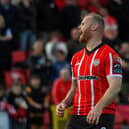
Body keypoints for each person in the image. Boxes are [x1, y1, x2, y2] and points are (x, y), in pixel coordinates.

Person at [56, 13, 122, 129]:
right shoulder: (76, 57)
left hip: (100, 115)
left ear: (94, 27)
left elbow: (115, 87)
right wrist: (64, 103)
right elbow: (74, 88)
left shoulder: (110, 54)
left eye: (82, 24)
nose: (79, 28)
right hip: (76, 116)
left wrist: (98, 107)